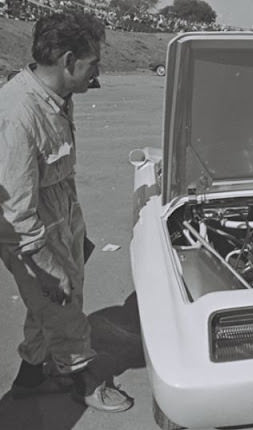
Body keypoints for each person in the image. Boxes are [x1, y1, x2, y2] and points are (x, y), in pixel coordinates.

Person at [0, 12, 132, 412]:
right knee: (63, 306)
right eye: (93, 64)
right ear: (68, 60)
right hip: (35, 240)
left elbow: (54, 180)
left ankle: (29, 376)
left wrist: (76, 234)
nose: (97, 73)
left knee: (46, 311)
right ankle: (82, 382)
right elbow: (17, 219)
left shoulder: (55, 99)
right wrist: (50, 271)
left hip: (61, 224)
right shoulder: (19, 114)